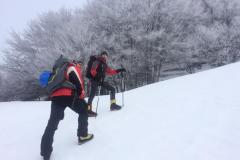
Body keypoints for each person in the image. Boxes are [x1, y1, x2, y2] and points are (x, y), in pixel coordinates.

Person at [40, 60, 93, 160]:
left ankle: (45, 151)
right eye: (79, 64)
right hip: (68, 95)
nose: (80, 66)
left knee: (52, 124)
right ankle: (83, 135)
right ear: (75, 62)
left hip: (55, 97)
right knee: (83, 111)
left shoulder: (57, 72)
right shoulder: (70, 66)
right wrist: (81, 93)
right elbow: (75, 80)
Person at [87, 51, 126, 117]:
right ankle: (88, 110)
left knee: (112, 89)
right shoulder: (97, 61)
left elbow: (111, 71)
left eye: (106, 55)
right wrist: (98, 75)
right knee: (92, 95)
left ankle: (113, 105)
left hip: (101, 81)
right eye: (104, 55)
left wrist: (119, 70)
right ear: (101, 55)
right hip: (95, 80)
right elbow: (92, 70)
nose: (105, 56)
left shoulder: (105, 64)